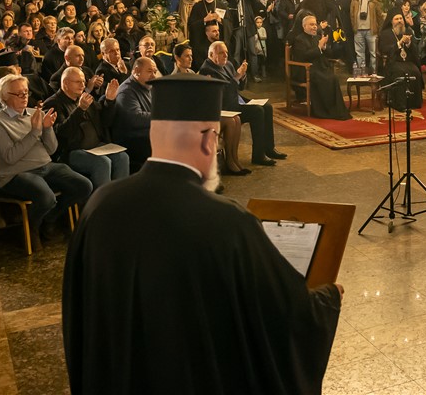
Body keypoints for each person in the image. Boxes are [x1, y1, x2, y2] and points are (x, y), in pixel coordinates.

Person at [62, 74, 342, 394]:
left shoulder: (100, 205)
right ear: (209, 139)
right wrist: (328, 299)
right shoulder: (228, 223)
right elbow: (282, 315)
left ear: (155, 134)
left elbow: (77, 313)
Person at [0, 74, 92, 248]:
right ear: (4, 97)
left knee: (84, 186)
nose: (24, 97)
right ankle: (32, 228)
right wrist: (34, 132)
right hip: (15, 174)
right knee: (46, 197)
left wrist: (48, 129)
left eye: (26, 92)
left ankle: (49, 219)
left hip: (45, 165)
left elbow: (51, 149)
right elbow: (10, 157)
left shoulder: (35, 113)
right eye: (18, 94)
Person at [199, 40, 285, 166]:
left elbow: (240, 87)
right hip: (226, 107)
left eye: (226, 52)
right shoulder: (207, 70)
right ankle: (258, 155)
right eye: (221, 53)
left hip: (237, 100)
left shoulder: (227, 64)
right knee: (257, 111)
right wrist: (237, 77)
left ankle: (269, 149)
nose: (225, 55)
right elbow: (222, 95)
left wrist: (242, 75)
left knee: (267, 107)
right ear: (211, 55)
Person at [42, 67, 128, 190]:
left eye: (83, 81)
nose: (83, 85)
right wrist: (80, 110)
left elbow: (106, 122)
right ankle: (100, 204)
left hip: (96, 146)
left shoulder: (85, 98)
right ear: (65, 83)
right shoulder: (53, 103)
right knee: (103, 162)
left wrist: (109, 101)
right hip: (72, 151)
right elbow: (61, 133)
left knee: (122, 157)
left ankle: (119, 198)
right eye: (78, 82)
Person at [288, 15, 352, 120]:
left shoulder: (318, 37)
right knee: (324, 79)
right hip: (306, 70)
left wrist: (324, 47)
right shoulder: (299, 39)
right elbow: (304, 56)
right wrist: (319, 47)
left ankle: (335, 110)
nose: (314, 27)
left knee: (333, 78)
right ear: (304, 26)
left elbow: (329, 54)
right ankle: (322, 111)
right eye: (311, 24)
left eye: (315, 24)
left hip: (319, 68)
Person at [114, 56, 156, 171]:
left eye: (155, 72)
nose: (153, 75)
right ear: (137, 71)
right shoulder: (126, 91)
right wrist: (160, 116)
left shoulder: (149, 87)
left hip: (144, 133)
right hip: (132, 138)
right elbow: (135, 119)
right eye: (149, 71)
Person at [378, 12, 424, 110]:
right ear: (391, 21)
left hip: (408, 61)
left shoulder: (408, 31)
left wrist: (409, 43)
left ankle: (414, 102)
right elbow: (384, 49)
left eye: (401, 19)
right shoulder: (386, 34)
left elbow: (416, 49)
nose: (399, 21)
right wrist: (399, 43)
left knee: (415, 72)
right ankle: (399, 103)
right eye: (396, 19)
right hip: (394, 62)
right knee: (400, 73)